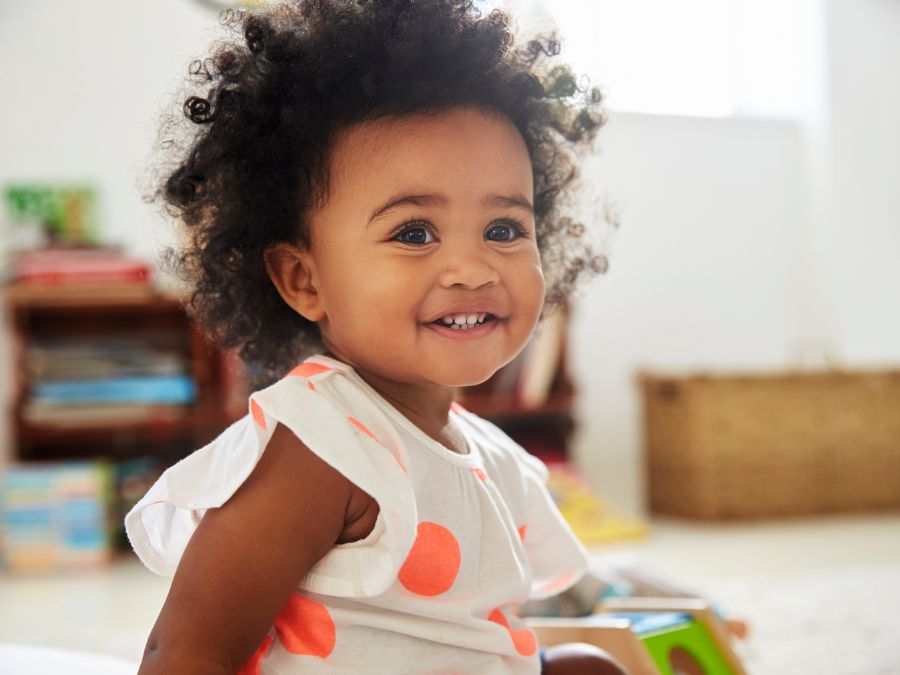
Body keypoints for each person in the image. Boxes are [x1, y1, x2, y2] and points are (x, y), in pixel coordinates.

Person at [126, 0, 623, 673]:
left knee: (589, 664)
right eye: (414, 232)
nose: (472, 268)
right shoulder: (321, 444)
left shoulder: (490, 455)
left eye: (504, 229)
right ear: (304, 278)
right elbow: (185, 650)